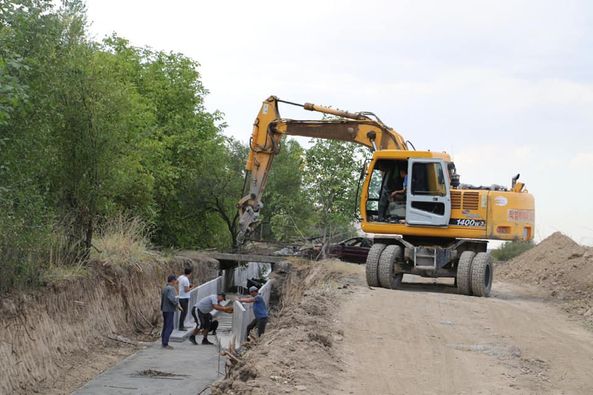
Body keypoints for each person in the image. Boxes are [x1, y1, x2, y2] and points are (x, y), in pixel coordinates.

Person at [160, 274, 180, 349]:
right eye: (175, 280)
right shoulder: (171, 288)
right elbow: (172, 299)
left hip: (164, 309)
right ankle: (165, 343)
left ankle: (163, 342)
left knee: (165, 326)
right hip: (169, 310)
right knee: (170, 327)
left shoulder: (165, 288)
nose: (176, 281)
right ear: (172, 281)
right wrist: (177, 304)